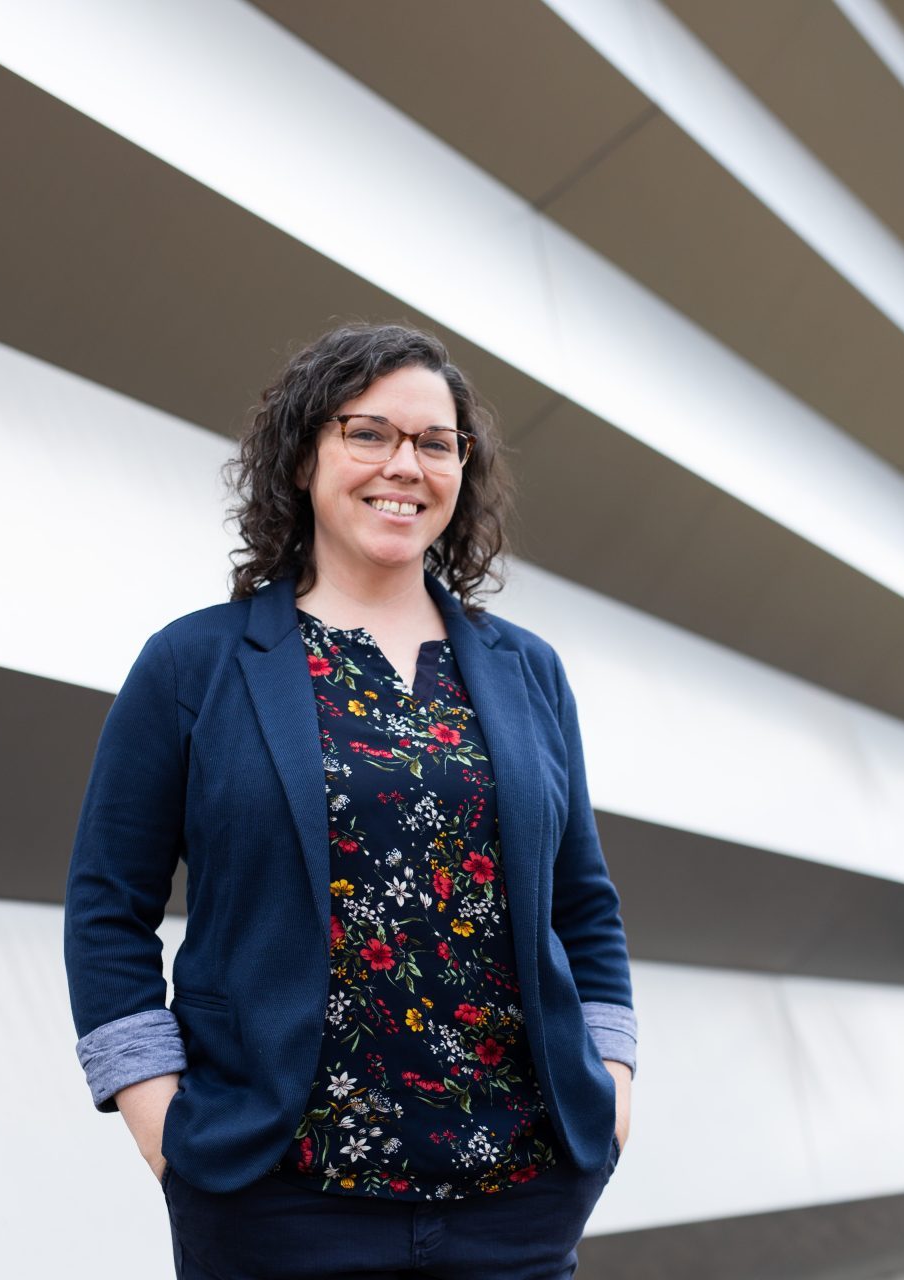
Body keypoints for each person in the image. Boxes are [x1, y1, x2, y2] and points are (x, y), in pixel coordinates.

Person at [64, 322, 636, 1279]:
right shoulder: (194, 664)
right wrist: (159, 1121)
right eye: (367, 433)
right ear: (301, 459)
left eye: (435, 442)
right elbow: (106, 904)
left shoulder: (527, 670)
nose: (403, 465)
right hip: (275, 1200)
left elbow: (583, 903)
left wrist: (612, 1083)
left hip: (518, 1200)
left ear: (462, 470)